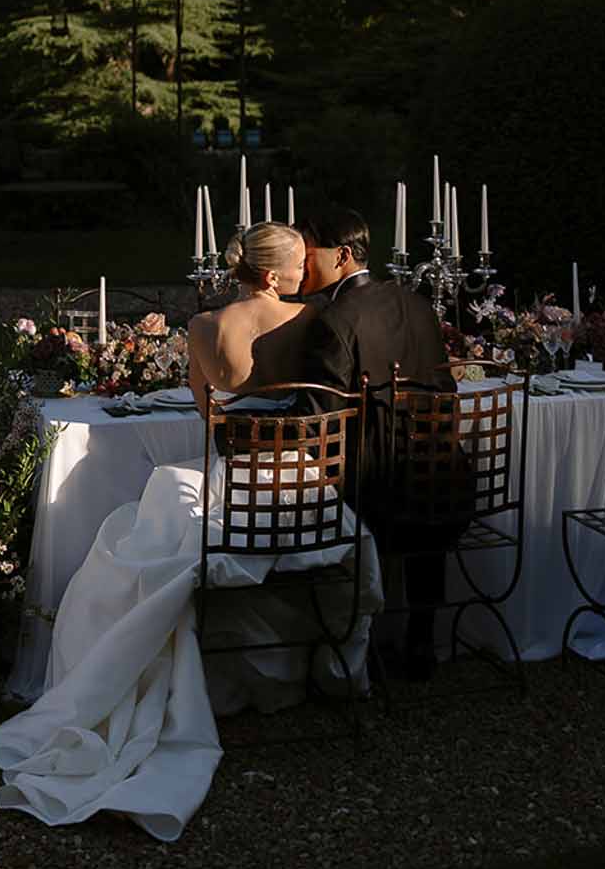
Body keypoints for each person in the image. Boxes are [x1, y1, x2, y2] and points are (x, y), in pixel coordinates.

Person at [298, 204, 465, 680]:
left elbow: (318, 422)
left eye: (308, 254)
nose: (301, 265)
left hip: (375, 491)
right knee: (419, 485)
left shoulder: (334, 320)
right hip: (442, 478)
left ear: (342, 255)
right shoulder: (415, 302)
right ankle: (420, 640)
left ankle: (337, 647)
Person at [187, 221, 314, 417]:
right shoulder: (306, 316)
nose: (304, 273)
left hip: (232, 442)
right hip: (301, 440)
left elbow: (202, 400)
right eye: (300, 266)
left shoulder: (202, 325)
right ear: (272, 278)